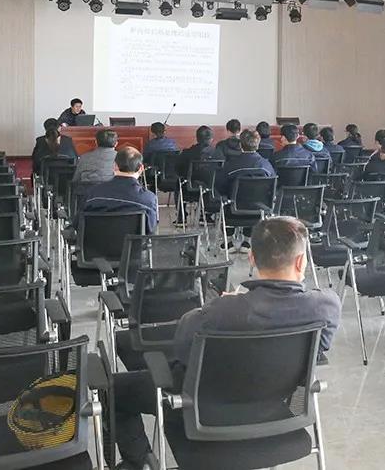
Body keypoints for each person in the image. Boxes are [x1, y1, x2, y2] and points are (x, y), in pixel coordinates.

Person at [110, 217, 341, 468]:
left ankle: (139, 462)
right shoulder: (326, 307)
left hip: (205, 417)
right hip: (283, 412)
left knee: (114, 390)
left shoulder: (217, 313)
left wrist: (222, 305)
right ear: (300, 261)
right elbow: (320, 349)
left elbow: (182, 352)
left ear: (251, 258)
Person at [81, 147, 158, 232]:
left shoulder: (93, 194)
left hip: (94, 240)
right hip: (133, 241)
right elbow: (150, 231)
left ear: (115, 166)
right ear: (141, 168)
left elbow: (78, 224)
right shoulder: (148, 199)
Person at [215, 130, 276, 197]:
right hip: (262, 202)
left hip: (235, 202)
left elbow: (220, 187)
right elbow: (273, 186)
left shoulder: (230, 166)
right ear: (258, 145)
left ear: (240, 145)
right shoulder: (267, 166)